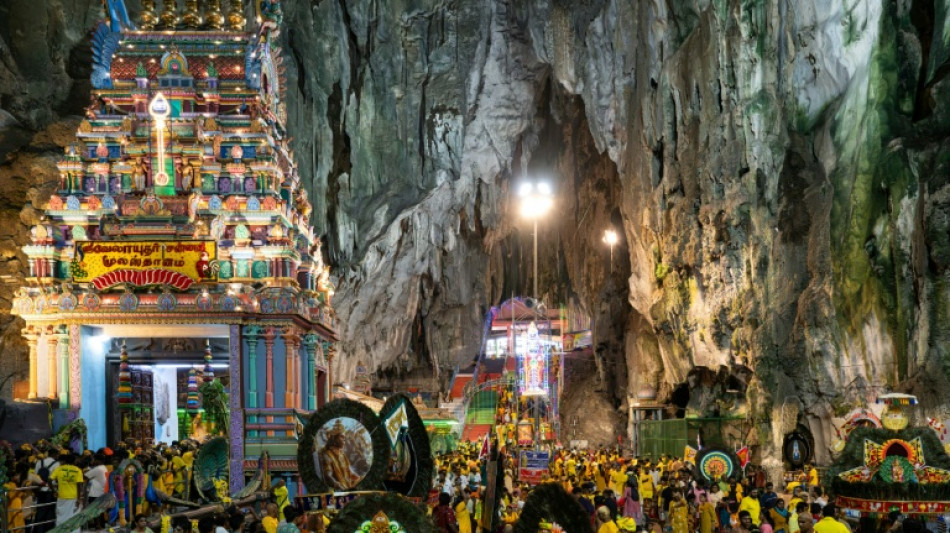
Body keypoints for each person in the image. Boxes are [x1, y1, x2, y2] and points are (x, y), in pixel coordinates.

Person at [49, 453, 83, 528]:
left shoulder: (59, 468)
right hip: (74, 497)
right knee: (74, 517)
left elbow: (49, 479)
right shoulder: (78, 470)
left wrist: (54, 491)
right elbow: (79, 485)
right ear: (74, 461)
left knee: (61, 516)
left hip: (61, 496)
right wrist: (79, 499)